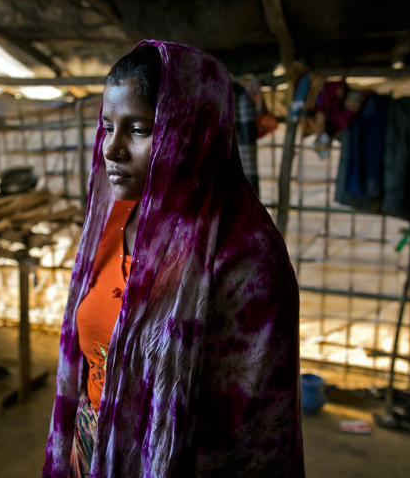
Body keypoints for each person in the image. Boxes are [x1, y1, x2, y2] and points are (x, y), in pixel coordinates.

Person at [42, 39, 304, 477]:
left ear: (192, 132)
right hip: (92, 451)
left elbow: (250, 441)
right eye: (107, 126)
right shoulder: (114, 224)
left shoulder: (247, 262)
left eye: (139, 129)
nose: (112, 148)